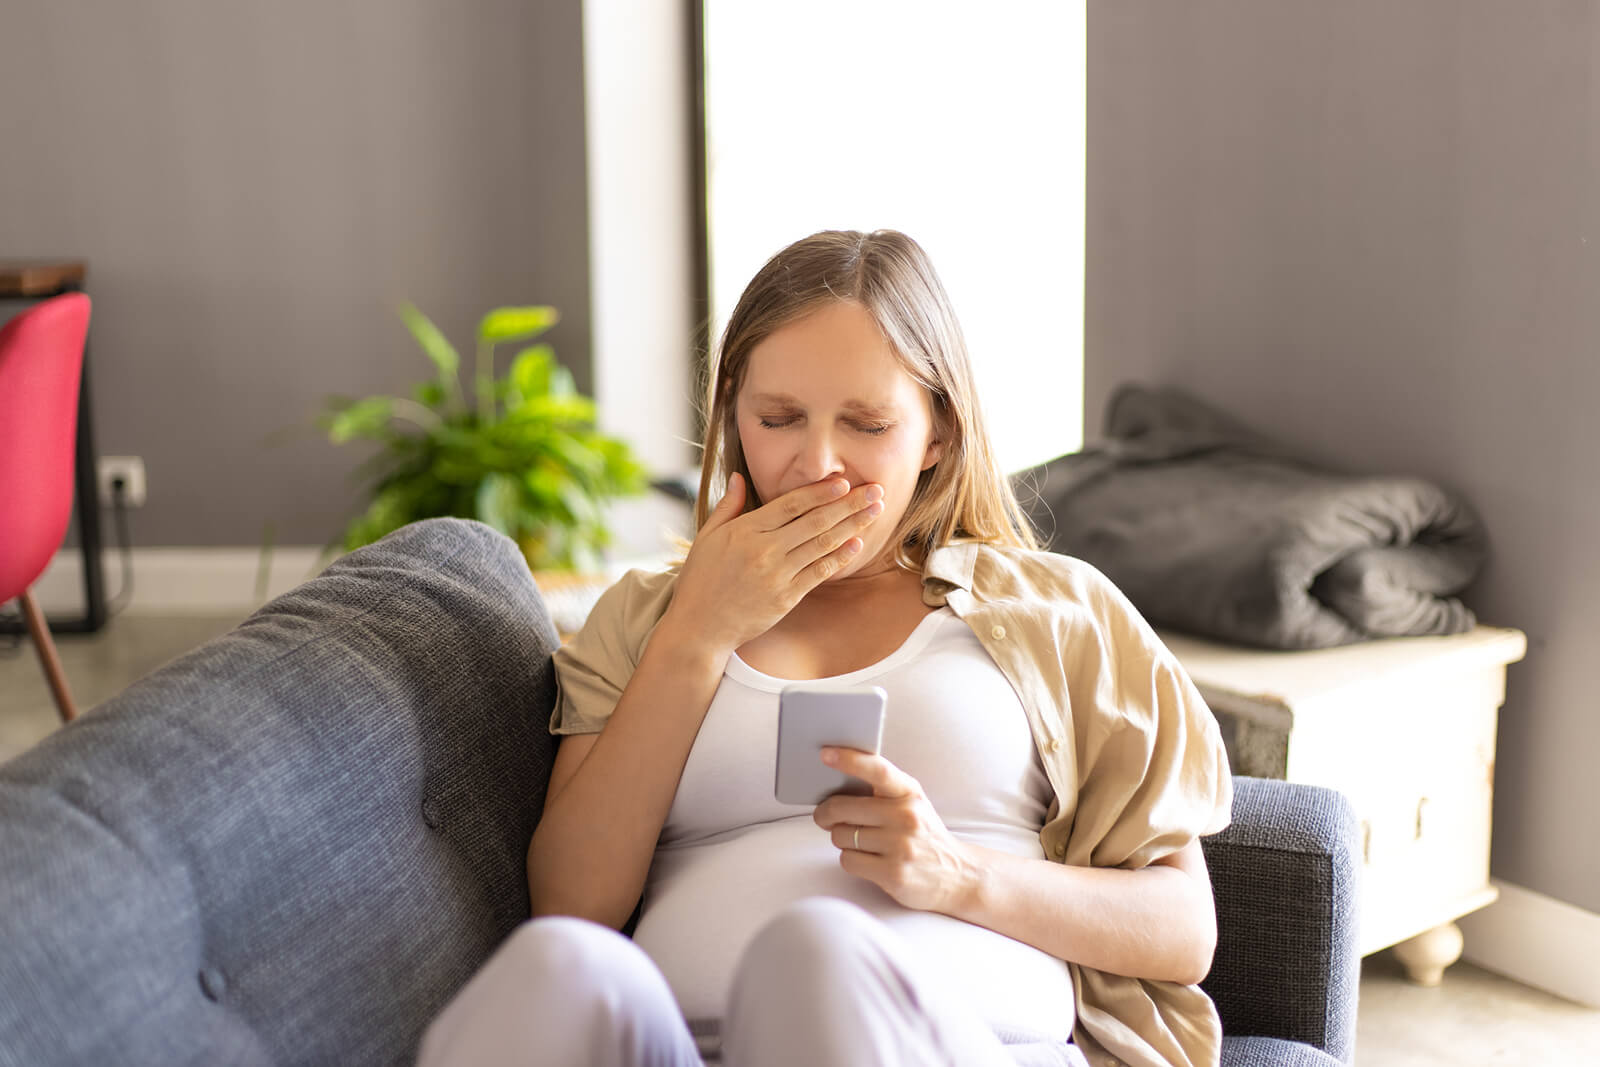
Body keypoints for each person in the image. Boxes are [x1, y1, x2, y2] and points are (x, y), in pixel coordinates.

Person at [417, 230, 1233, 1067]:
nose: (817, 464)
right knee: (559, 966)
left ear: (938, 432)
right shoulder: (648, 618)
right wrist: (697, 632)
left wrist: (958, 873)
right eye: (778, 419)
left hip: (963, 1045)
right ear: (734, 414)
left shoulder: (1058, 611)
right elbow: (571, 903)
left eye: (867, 424)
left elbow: (1183, 928)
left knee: (815, 954)